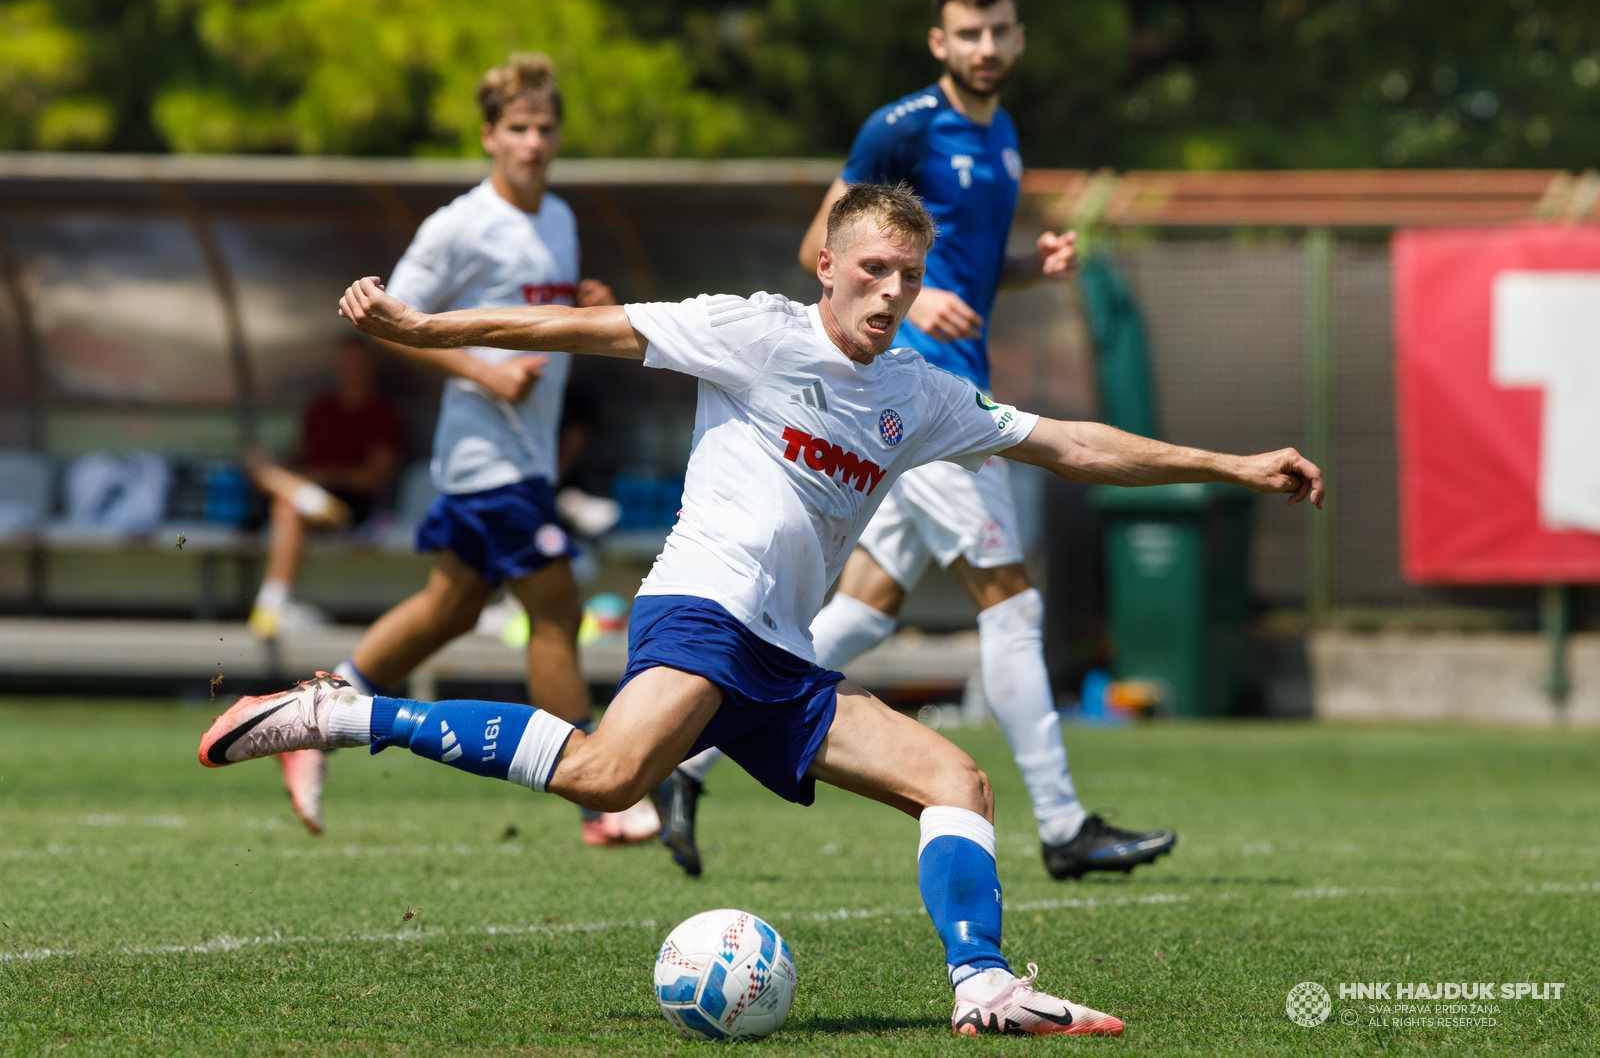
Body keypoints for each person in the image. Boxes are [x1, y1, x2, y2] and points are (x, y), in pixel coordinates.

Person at [200, 183, 1324, 1036]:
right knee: (607, 776)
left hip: (782, 654)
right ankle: (337, 712)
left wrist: (1229, 463)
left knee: (955, 780)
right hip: (702, 605)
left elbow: (1070, 443)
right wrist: (424, 330)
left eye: (907, 274)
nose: (891, 292)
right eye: (874, 269)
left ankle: (982, 982)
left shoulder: (918, 392)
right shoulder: (751, 330)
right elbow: (583, 333)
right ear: (826, 265)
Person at [656, 0, 1176, 883]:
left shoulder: (1004, 136)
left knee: (866, 608)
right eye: (968, 33)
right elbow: (820, 246)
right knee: (1010, 599)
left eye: (999, 31)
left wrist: (1026, 268)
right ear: (940, 40)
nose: (985, 47)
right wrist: (916, 299)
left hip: (943, 398)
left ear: (1019, 38)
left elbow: (965, 266)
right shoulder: (901, 126)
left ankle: (692, 754)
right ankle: (1060, 824)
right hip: (915, 396)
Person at [268, 52, 658, 847]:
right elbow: (390, 321)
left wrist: (591, 309)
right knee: (556, 610)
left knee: (452, 606)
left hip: (528, 455)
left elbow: (547, 325)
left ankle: (312, 717)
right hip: (486, 457)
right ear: (490, 136)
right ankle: (597, 800)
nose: (534, 143)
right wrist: (482, 371)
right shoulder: (459, 223)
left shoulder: (562, 219)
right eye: (518, 129)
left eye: (546, 128)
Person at [246, 336, 405, 641]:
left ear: (372, 368)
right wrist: (277, 466)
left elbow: (374, 477)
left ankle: (271, 605)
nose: (351, 371)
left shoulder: (384, 415)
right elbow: (297, 455)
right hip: (305, 495)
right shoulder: (321, 409)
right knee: (263, 472)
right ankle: (309, 499)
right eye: (345, 364)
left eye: (357, 364)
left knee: (284, 498)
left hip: (351, 505)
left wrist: (321, 477)